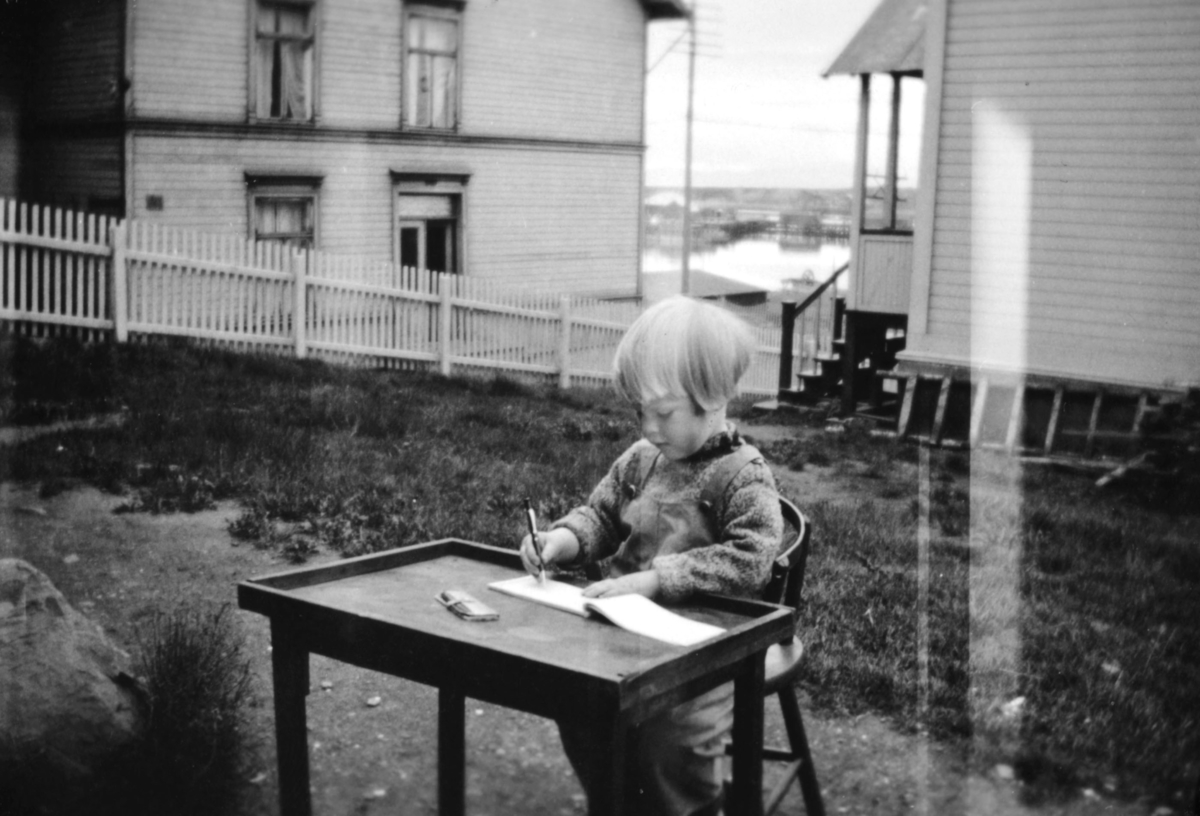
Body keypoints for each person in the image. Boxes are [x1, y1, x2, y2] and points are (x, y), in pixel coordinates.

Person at [519, 295, 784, 816]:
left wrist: (656, 580)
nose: (649, 428)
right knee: (579, 702)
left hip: (702, 650)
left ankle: (688, 807)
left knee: (672, 741)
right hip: (625, 636)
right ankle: (616, 797)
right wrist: (561, 542)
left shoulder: (743, 475)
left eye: (662, 413)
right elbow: (599, 516)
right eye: (639, 411)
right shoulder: (642, 461)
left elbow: (752, 559)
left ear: (716, 397)